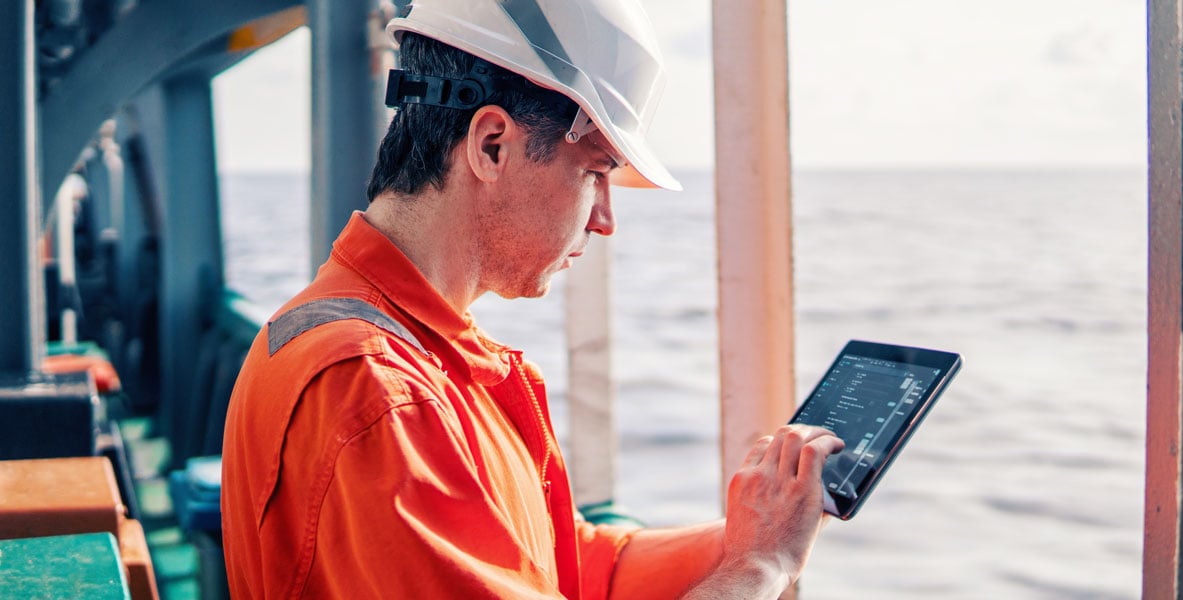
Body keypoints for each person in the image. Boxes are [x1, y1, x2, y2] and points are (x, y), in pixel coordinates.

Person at [220, 1, 844, 598]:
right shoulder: (380, 396)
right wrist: (762, 565)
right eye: (596, 172)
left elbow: (563, 564)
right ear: (492, 145)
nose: (605, 220)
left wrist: (754, 530)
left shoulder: (404, 347)